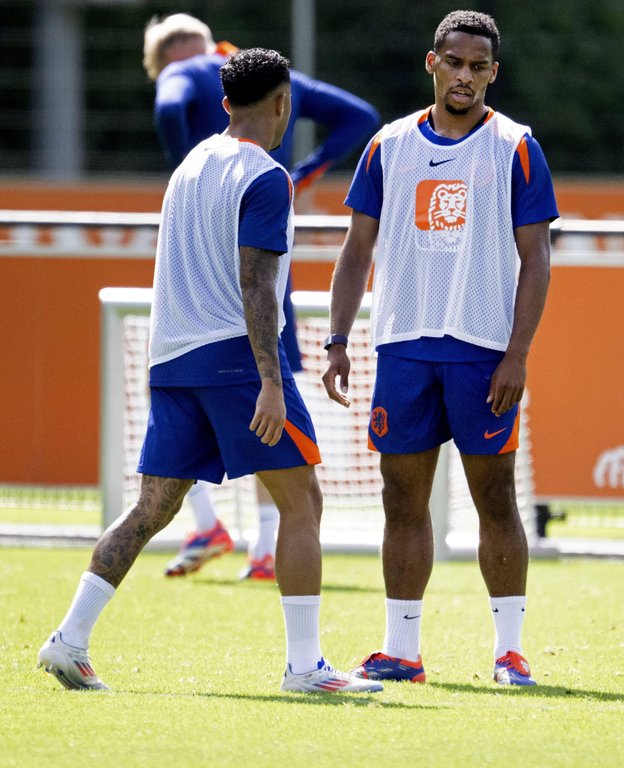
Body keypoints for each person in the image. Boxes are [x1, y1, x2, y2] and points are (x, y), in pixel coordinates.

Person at [37, 49, 380, 694]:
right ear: (284, 104)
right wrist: (272, 381)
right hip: (236, 364)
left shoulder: (188, 167)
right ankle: (305, 667)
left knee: (150, 510)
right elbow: (256, 284)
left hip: (172, 359)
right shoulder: (267, 176)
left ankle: (69, 639)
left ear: (225, 104)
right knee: (302, 500)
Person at [323, 10, 556, 687]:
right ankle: (402, 651)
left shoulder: (515, 145)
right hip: (402, 345)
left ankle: (509, 651)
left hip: (483, 350)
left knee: (495, 498)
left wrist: (517, 353)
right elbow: (355, 250)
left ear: (493, 73)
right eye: (454, 63)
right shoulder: (387, 145)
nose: (465, 76)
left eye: (478, 67)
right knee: (401, 499)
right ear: (433, 63)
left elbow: (537, 258)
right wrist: (338, 339)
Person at [143, 13, 381, 582]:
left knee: (155, 497)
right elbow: (360, 117)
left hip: (183, 326)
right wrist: (304, 171)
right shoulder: (262, 91)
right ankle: (266, 555)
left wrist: (183, 164)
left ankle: (205, 528)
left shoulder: (185, 99)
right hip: (248, 306)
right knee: (283, 451)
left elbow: (169, 108)